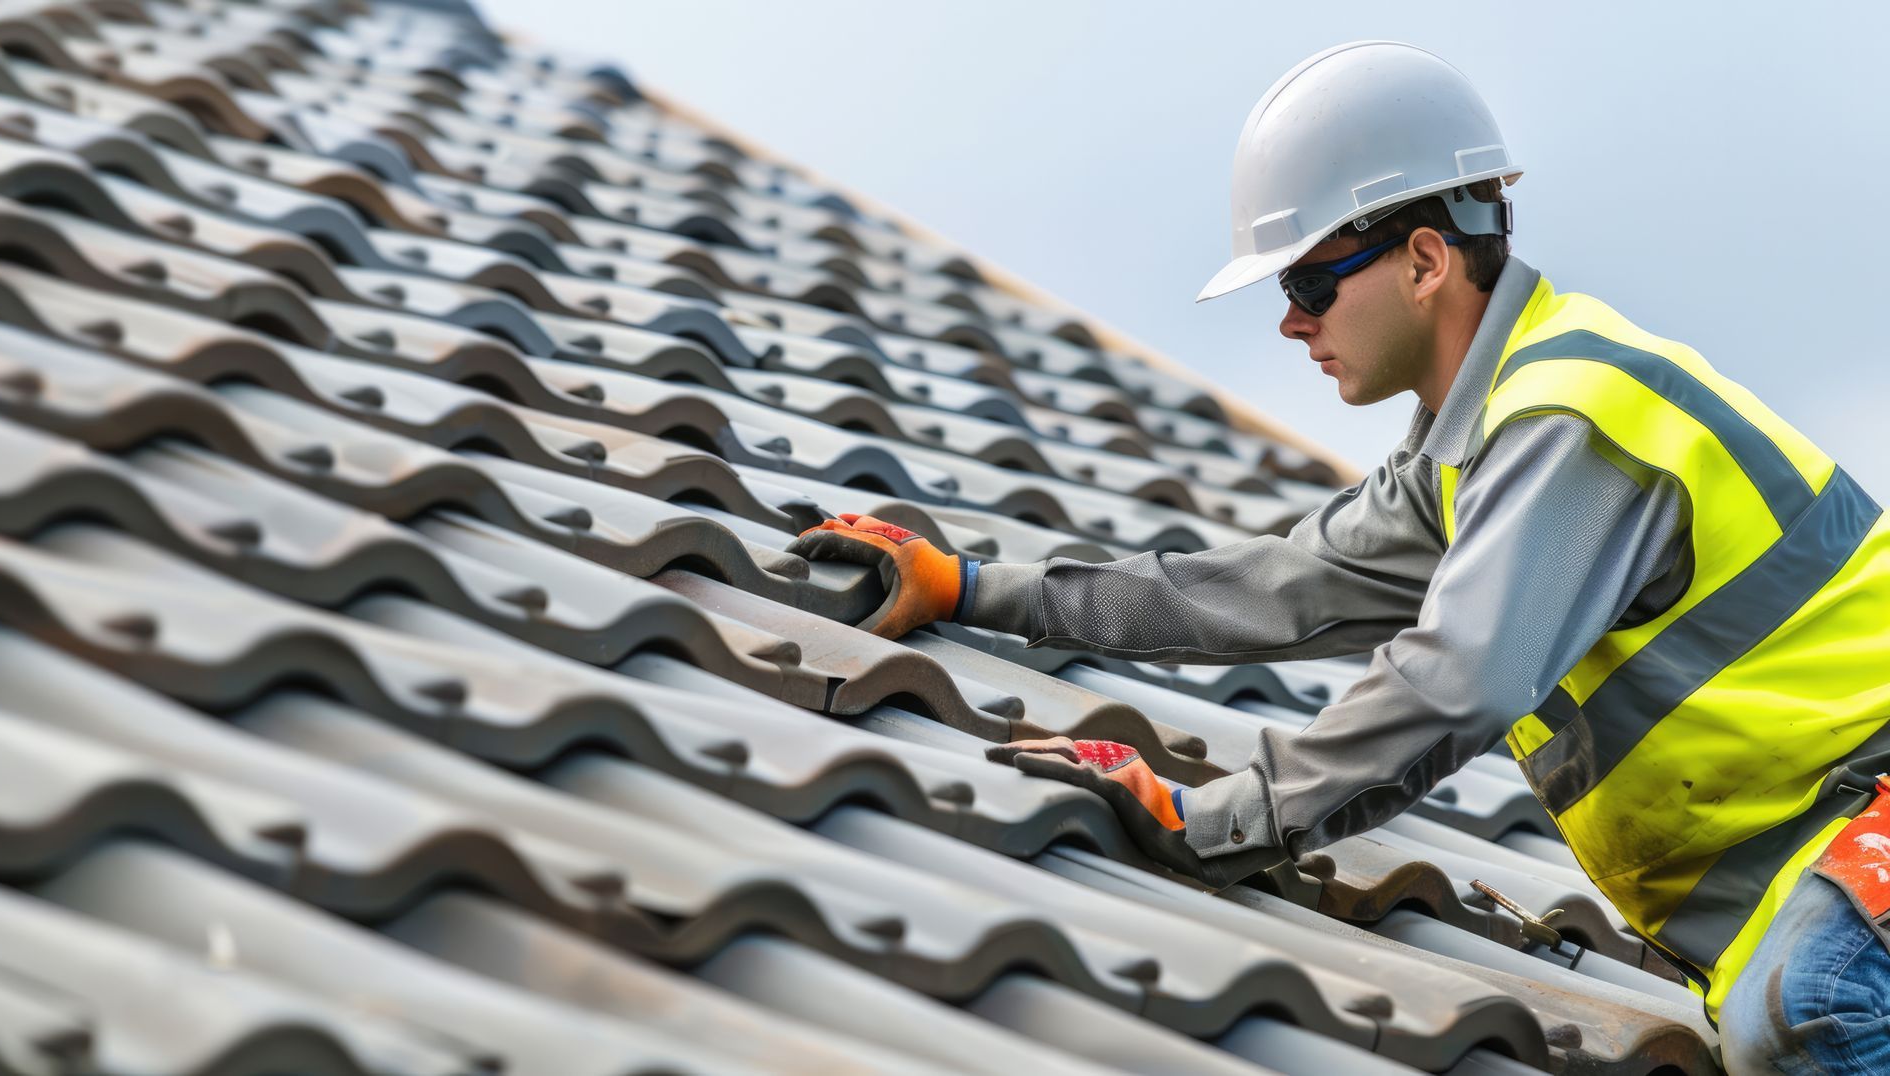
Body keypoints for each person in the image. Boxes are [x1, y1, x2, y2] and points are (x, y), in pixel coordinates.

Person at [785, 41, 1890, 1072]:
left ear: (1422, 260)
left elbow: (1460, 679)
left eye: (1310, 284)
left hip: (1865, 823)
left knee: (1813, 1007)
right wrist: (979, 589)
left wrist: (1218, 822)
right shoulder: (1479, 451)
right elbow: (1275, 589)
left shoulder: (1571, 418)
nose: (1291, 324)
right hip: (1828, 853)